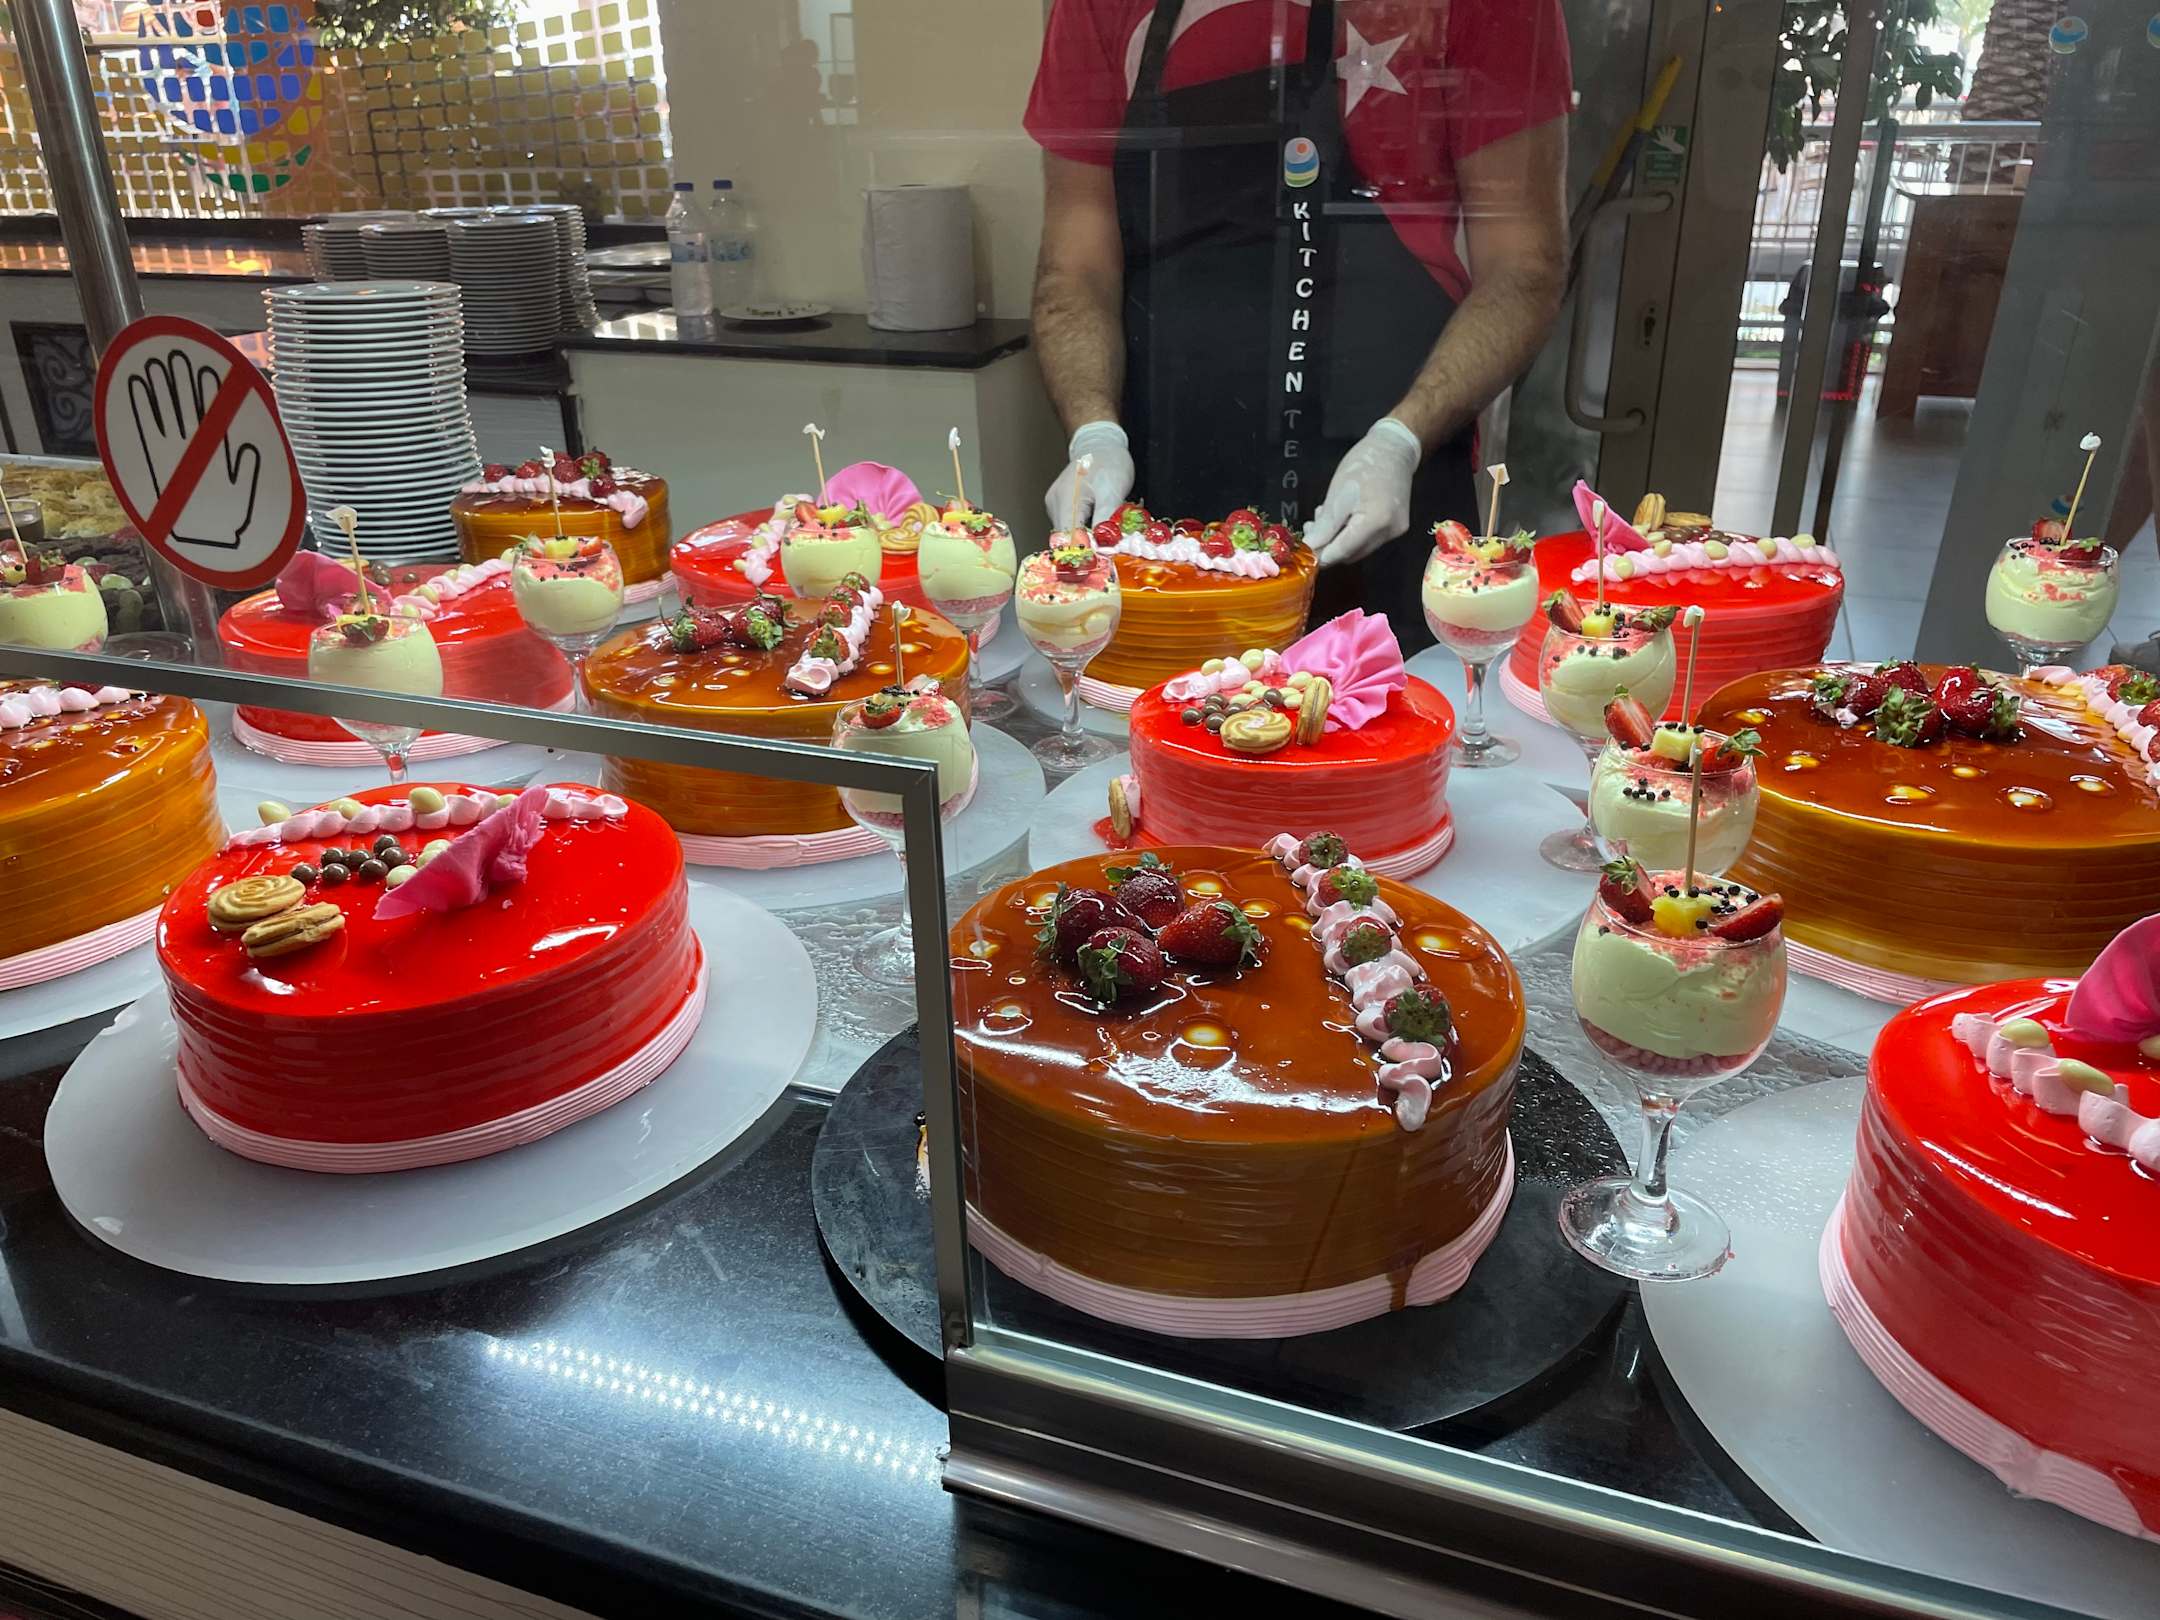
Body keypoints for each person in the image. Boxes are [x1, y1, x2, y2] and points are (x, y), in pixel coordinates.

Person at [1025, 0, 1572, 641]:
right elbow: (1075, 271)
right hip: (1163, 490)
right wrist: (1094, 435)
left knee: (1391, 697)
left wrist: (1399, 442)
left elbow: (1523, 267)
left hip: (1385, 488)